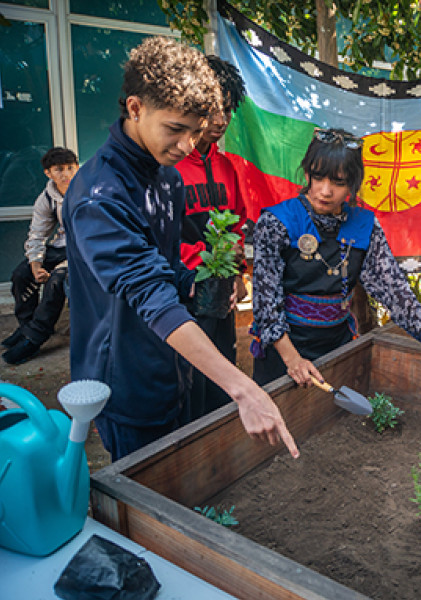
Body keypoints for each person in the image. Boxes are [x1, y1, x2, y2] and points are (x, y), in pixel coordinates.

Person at [62, 36, 298, 462]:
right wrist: (243, 387)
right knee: (149, 495)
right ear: (135, 108)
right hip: (127, 376)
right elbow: (149, 294)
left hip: (174, 363)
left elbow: (168, 269)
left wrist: (200, 282)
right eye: (175, 129)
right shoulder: (99, 195)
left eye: (195, 131)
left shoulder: (167, 179)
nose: (188, 146)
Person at [251, 127, 421, 387]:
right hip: (283, 351)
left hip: (337, 346)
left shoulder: (364, 225)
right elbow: (265, 300)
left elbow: (391, 287)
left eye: (338, 182)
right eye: (318, 178)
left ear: (353, 184)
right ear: (307, 174)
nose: (325, 191)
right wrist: (292, 359)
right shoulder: (276, 222)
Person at [175, 55, 249, 423]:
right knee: (190, 381)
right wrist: (198, 263)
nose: (221, 121)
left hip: (222, 294)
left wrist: (238, 273)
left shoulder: (227, 167)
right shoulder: (168, 167)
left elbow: (237, 226)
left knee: (225, 369)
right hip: (184, 293)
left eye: (228, 110)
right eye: (212, 110)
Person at [1, 147, 78, 365]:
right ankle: (26, 327)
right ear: (48, 173)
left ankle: (35, 337)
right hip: (63, 244)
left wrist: (63, 264)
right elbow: (37, 234)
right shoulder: (48, 197)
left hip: (86, 247)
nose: (66, 174)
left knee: (56, 280)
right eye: (59, 169)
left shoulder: (88, 190)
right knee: (22, 274)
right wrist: (35, 265)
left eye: (71, 168)